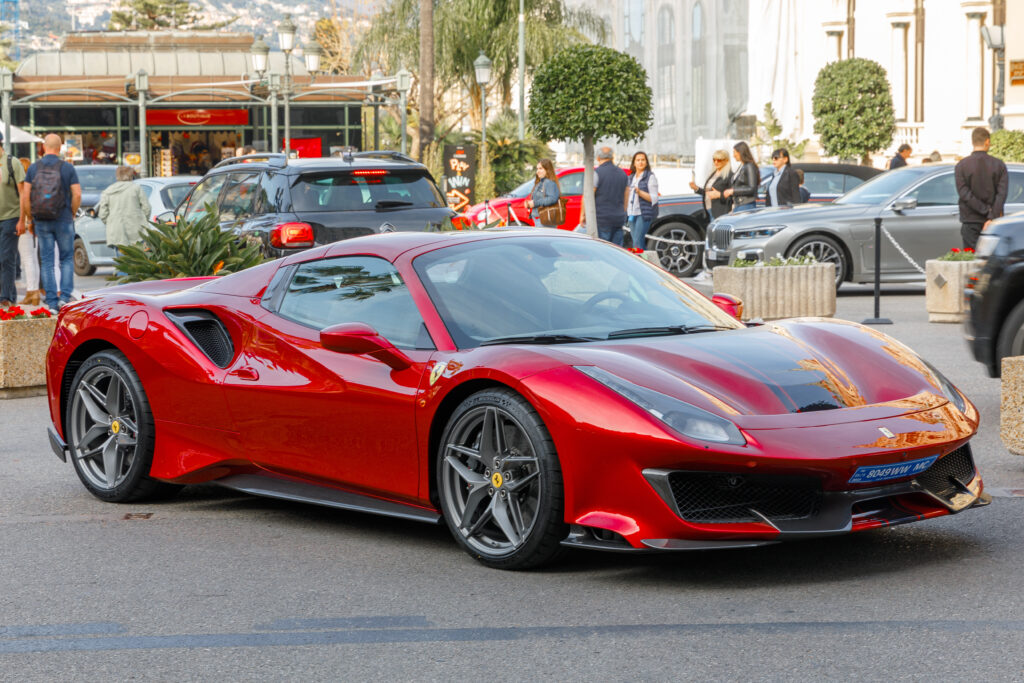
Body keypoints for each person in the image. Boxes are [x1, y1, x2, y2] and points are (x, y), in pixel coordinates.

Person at [22, 133, 81, 312]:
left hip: (41, 220)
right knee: (66, 258)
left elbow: (26, 197)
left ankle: (52, 302)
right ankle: (64, 297)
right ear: (60, 147)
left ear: (44, 147)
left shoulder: (33, 168)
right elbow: (77, 194)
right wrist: (71, 211)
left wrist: (30, 218)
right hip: (63, 219)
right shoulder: (67, 168)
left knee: (47, 260)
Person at [955, 126, 1008, 250]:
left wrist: (985, 211)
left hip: (970, 220)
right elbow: (1002, 194)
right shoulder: (999, 165)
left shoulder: (961, 166)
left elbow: (964, 194)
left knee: (972, 262)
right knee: (993, 261)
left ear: (972, 142)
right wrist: (991, 215)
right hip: (993, 222)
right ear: (987, 142)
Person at [97, 166, 150, 260]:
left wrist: (111, 223)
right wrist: (142, 220)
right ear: (130, 175)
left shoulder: (108, 191)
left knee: (123, 263)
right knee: (139, 262)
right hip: (137, 230)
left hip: (117, 232)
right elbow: (147, 208)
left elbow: (102, 214)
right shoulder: (136, 188)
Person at [0, 131, 26, 307]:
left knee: (6, 258)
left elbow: (23, 193)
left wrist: (22, 219)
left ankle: (6, 298)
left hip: (10, 217)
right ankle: (8, 295)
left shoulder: (12, 163)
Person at [588, 146, 628, 245]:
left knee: (603, 250)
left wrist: (584, 215)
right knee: (617, 250)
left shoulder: (597, 173)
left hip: (602, 218)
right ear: (612, 157)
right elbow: (626, 196)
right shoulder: (622, 173)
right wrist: (623, 212)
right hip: (618, 218)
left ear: (598, 158)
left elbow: (589, 196)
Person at [626, 151, 658, 250]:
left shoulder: (650, 177)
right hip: (631, 213)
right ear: (634, 163)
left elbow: (654, 198)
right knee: (637, 242)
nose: (640, 162)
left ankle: (642, 263)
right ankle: (645, 262)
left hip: (643, 213)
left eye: (643, 160)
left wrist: (640, 192)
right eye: (638, 160)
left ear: (646, 162)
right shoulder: (631, 177)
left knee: (637, 242)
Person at [523, 158, 561, 227]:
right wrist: (529, 203)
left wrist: (534, 203)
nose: (537, 171)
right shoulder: (541, 182)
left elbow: (552, 198)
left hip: (545, 221)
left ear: (547, 170)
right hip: (539, 220)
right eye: (537, 169)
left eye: (540, 168)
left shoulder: (549, 183)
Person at [722, 141, 759, 212]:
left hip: (746, 205)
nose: (733, 155)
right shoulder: (742, 166)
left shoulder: (749, 166)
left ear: (741, 152)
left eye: (734, 152)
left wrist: (733, 191)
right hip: (739, 204)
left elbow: (752, 188)